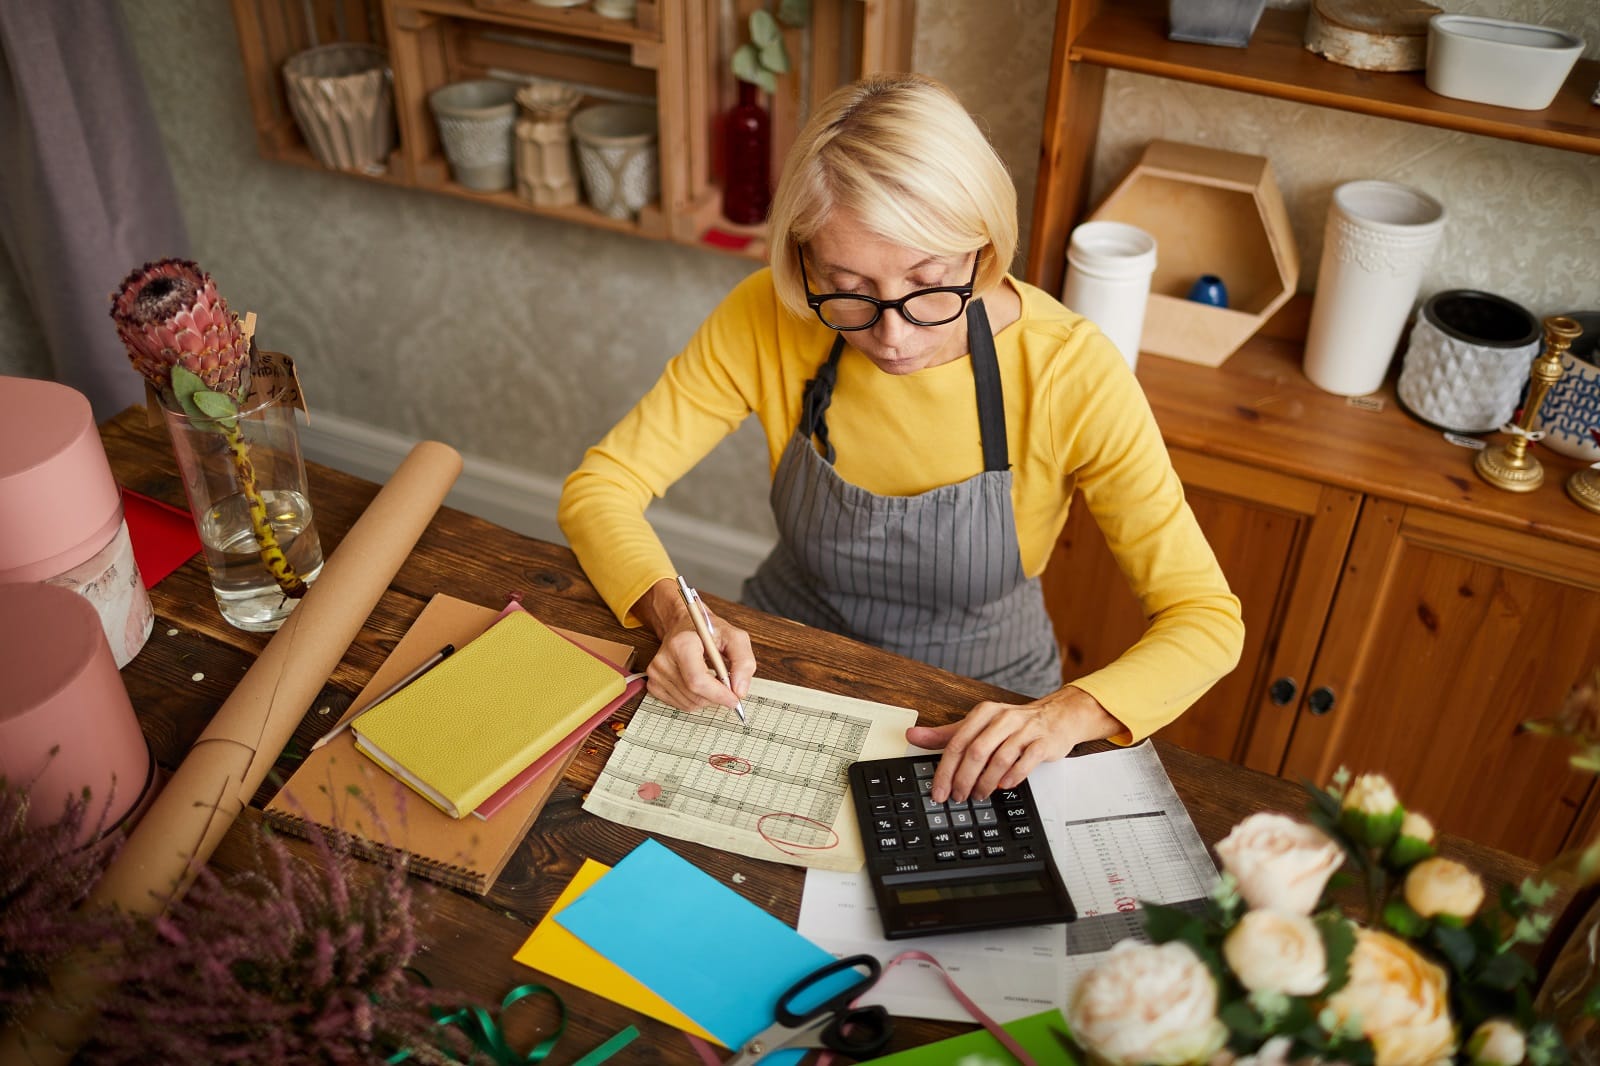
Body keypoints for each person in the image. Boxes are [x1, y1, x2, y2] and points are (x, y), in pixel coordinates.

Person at [558, 73, 1243, 804]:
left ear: (982, 247)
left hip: (984, 705)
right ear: (804, 263)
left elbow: (1204, 619)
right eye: (849, 289)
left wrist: (1068, 713)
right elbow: (601, 489)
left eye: (927, 284)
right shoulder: (766, 316)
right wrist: (673, 614)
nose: (891, 336)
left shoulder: (1071, 371)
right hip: (785, 667)